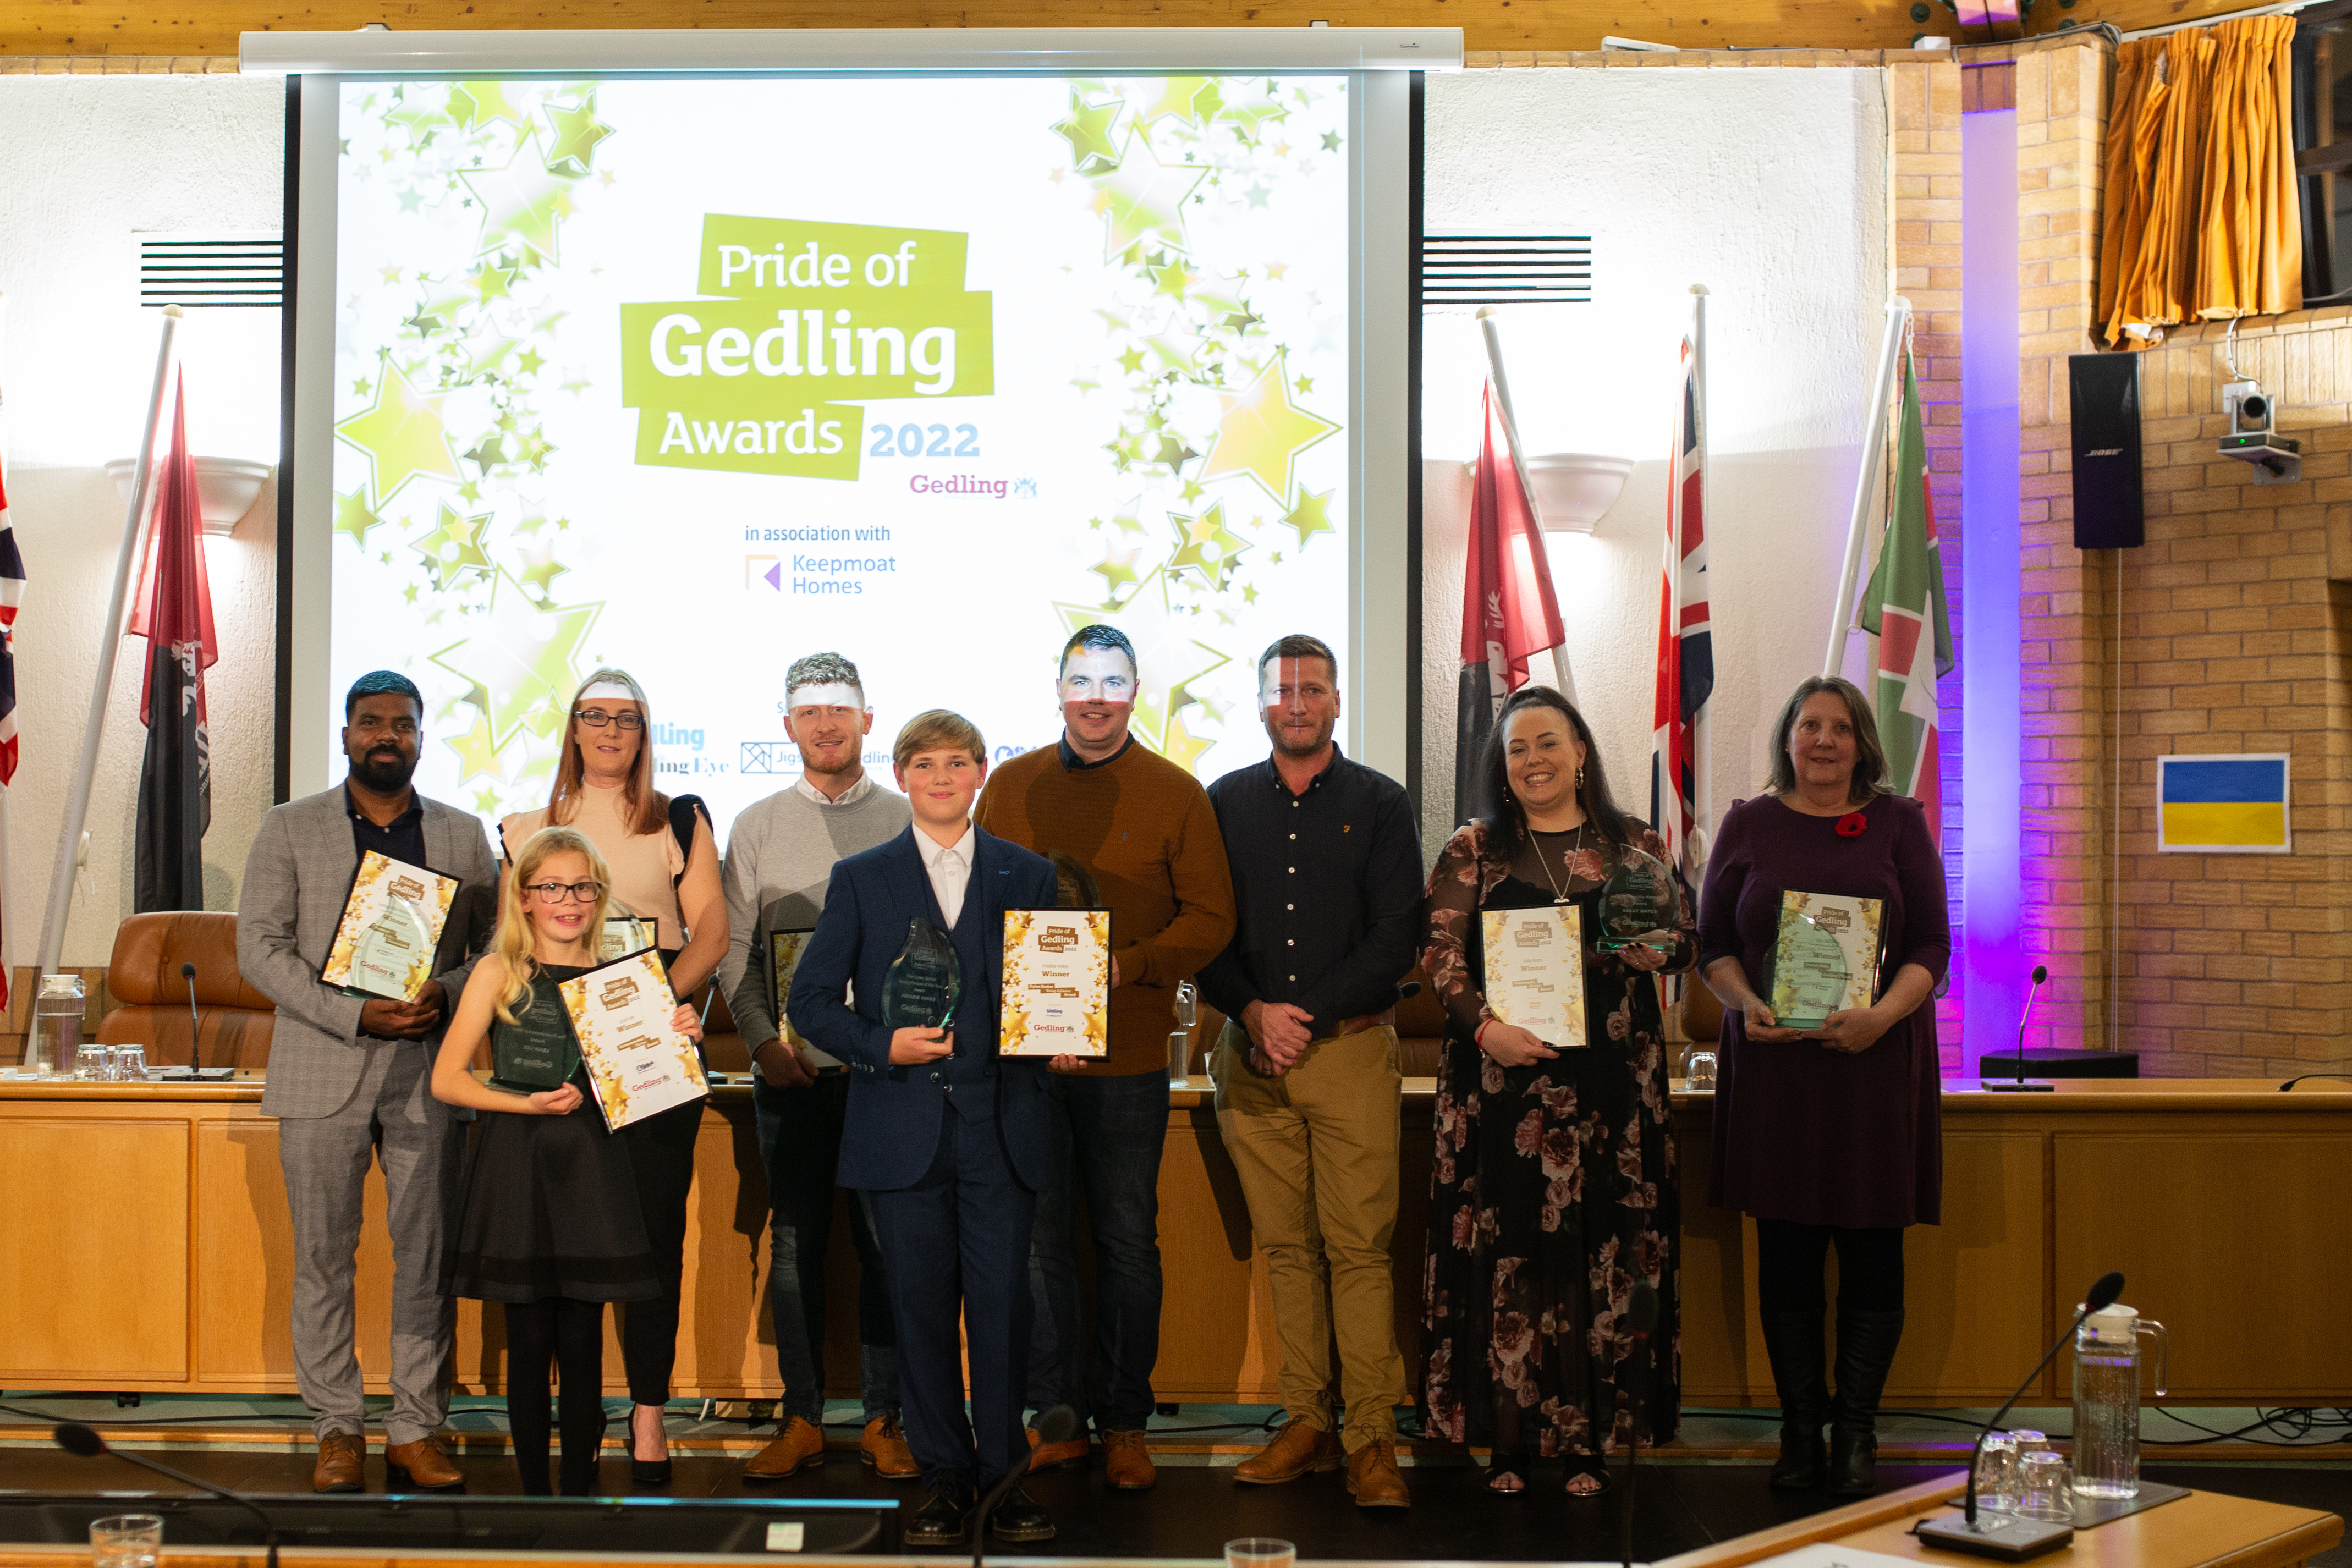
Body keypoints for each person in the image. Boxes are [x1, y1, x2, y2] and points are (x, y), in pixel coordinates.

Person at [787, 711, 1064, 1548]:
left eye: (957, 762)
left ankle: (1004, 1475)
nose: (942, 778)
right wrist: (880, 1044)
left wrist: (1062, 1036)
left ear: (983, 770)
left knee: (1002, 1308)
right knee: (919, 1307)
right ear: (901, 775)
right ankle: (944, 1472)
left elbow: (1050, 990)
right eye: (924, 764)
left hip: (1002, 1123)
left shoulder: (1031, 873)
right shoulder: (862, 877)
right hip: (901, 1125)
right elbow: (807, 1004)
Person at [972, 623, 1234, 1488]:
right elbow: (979, 910)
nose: (1095, 694)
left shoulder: (1177, 791)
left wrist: (1130, 966)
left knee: (1126, 1240)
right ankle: (1058, 1417)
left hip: (1125, 1063)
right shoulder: (1007, 786)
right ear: (1057, 688)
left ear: (1133, 693)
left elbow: (1210, 919)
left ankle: (1126, 1420)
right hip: (1027, 1062)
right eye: (1080, 679)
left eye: (1113, 680)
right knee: (1042, 1243)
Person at [1419, 687, 1692, 1499]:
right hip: (1502, 1086)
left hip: (1612, 1087)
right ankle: (1505, 1438)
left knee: (1603, 1251)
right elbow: (1438, 955)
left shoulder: (1633, 843)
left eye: (1548, 742)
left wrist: (1657, 950)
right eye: (1517, 748)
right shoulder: (1475, 848)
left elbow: (1686, 940)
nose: (1533, 760)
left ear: (1580, 750)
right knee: (1510, 1257)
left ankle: (1591, 1444)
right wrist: (1484, 1029)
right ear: (1501, 766)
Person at [237, 670, 498, 1493]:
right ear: (346, 733)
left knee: (426, 1257)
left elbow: (492, 949)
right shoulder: (289, 828)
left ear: (422, 736)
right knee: (324, 1258)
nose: (387, 735)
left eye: (403, 724)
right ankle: (338, 1427)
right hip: (324, 1066)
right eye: (371, 722)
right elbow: (261, 948)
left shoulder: (461, 835)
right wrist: (354, 1015)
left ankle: (417, 1428)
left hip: (429, 1070)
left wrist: (444, 993)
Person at [1696, 675, 1948, 1497]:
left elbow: (1931, 950)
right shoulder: (1749, 822)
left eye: (1840, 727)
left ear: (1862, 743)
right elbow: (1714, 946)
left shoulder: (1898, 823)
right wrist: (1745, 1001)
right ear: (1788, 737)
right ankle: (1801, 1425)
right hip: (1778, 1072)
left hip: (1875, 1070)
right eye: (1810, 725)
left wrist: (1880, 1016)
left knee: (1875, 1251)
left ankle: (1858, 1429)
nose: (1825, 740)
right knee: (1789, 1257)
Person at [1197, 636, 1421, 1508]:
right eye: (1282, 689)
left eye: (1313, 688)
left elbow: (1394, 936)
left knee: (1358, 1251)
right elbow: (1205, 926)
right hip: (1248, 1057)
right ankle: (1307, 1421)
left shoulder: (1381, 803)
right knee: (1287, 1249)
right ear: (1260, 704)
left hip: (1350, 1052)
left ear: (1337, 701)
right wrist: (1253, 1012)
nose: (1297, 701)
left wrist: (1303, 1019)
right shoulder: (1220, 802)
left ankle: (1372, 1437)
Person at [498, 668, 727, 1485]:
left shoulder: (680, 816)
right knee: (573, 1245)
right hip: (559, 1057)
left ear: (644, 730)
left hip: (650, 1046)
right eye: (595, 715)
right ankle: (581, 1414)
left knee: (652, 1236)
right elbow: (509, 949)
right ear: (572, 726)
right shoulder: (526, 824)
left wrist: (655, 1004)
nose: (610, 729)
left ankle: (650, 1412)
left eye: (627, 717)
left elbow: (712, 930)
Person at [431, 828, 702, 1494]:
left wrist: (684, 1039)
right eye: (551, 887)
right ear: (524, 898)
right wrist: (527, 1106)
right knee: (527, 1344)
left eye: (581, 886)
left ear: (600, 895)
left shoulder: (629, 978)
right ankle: (533, 1499)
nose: (567, 900)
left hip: (593, 1167)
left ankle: (579, 1496)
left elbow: (655, 1082)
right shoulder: (497, 971)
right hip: (517, 1167)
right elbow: (447, 1079)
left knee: (582, 1343)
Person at [718, 653, 917, 1483]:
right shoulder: (757, 822)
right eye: (810, 710)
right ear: (788, 724)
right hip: (790, 1075)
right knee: (795, 1246)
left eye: (842, 708)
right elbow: (735, 951)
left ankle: (884, 1418)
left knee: (886, 1248)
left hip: (887, 1078)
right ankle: (801, 1417)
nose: (827, 723)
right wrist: (764, 1041)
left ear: (869, 720)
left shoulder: (911, 816)